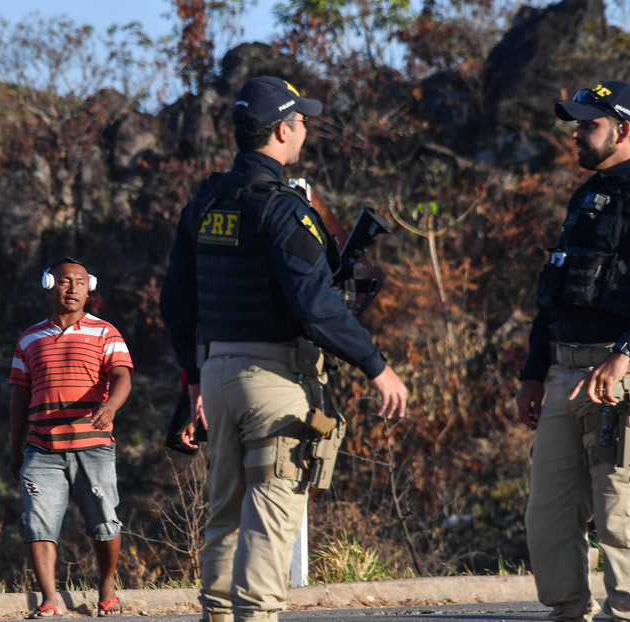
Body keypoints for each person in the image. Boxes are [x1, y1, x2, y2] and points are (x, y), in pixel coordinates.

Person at [159, 76, 408, 622]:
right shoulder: (283, 209)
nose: (305, 131)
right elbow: (316, 305)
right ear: (280, 130)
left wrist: (195, 377)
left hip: (218, 377)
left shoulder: (205, 201)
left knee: (223, 516)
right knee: (271, 519)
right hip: (274, 381)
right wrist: (377, 366)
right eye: (301, 122)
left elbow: (175, 300)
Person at [516, 81, 630, 622]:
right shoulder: (588, 194)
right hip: (564, 372)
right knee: (548, 517)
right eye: (576, 124)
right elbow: (556, 292)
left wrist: (624, 352)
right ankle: (568, 612)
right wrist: (533, 372)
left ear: (623, 130)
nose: (576, 133)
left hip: (626, 375)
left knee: (620, 513)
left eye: (587, 124)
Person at [9, 258, 133, 619]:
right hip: (41, 449)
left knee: (105, 521)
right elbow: (18, 397)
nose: (73, 288)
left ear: (89, 287)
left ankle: (107, 587)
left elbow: (123, 376)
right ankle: (50, 598)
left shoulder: (105, 332)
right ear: (50, 285)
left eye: (80, 282)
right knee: (38, 523)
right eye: (65, 281)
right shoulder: (29, 338)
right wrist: (15, 448)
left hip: (93, 447)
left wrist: (110, 406)